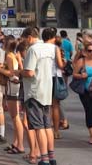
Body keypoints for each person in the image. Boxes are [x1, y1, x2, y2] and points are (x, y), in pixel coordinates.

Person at [19, 27, 58, 165]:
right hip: (47, 90)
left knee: (38, 127)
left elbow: (29, 72)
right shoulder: (49, 48)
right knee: (48, 126)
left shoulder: (33, 49)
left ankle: (44, 158)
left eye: (24, 39)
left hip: (34, 92)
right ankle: (51, 157)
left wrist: (18, 71)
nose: (24, 42)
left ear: (29, 37)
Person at [72, 39, 92, 145]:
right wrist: (81, 75)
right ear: (85, 51)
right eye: (89, 51)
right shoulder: (82, 61)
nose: (91, 53)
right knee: (90, 111)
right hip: (85, 91)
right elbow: (74, 74)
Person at [2, 38, 24, 155]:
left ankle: (20, 144)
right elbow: (19, 69)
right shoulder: (15, 55)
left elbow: (11, 73)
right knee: (15, 118)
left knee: (15, 118)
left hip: (12, 86)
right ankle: (16, 142)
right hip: (15, 85)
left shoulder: (9, 56)